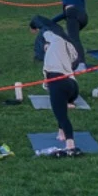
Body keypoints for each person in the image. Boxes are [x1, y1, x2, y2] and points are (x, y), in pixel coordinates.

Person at [31, 15, 84, 154]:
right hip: (73, 87)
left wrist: (36, 27)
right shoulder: (69, 47)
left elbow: (46, 29)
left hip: (58, 82)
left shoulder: (54, 40)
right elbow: (75, 60)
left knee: (61, 114)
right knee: (62, 102)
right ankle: (61, 131)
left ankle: (70, 143)